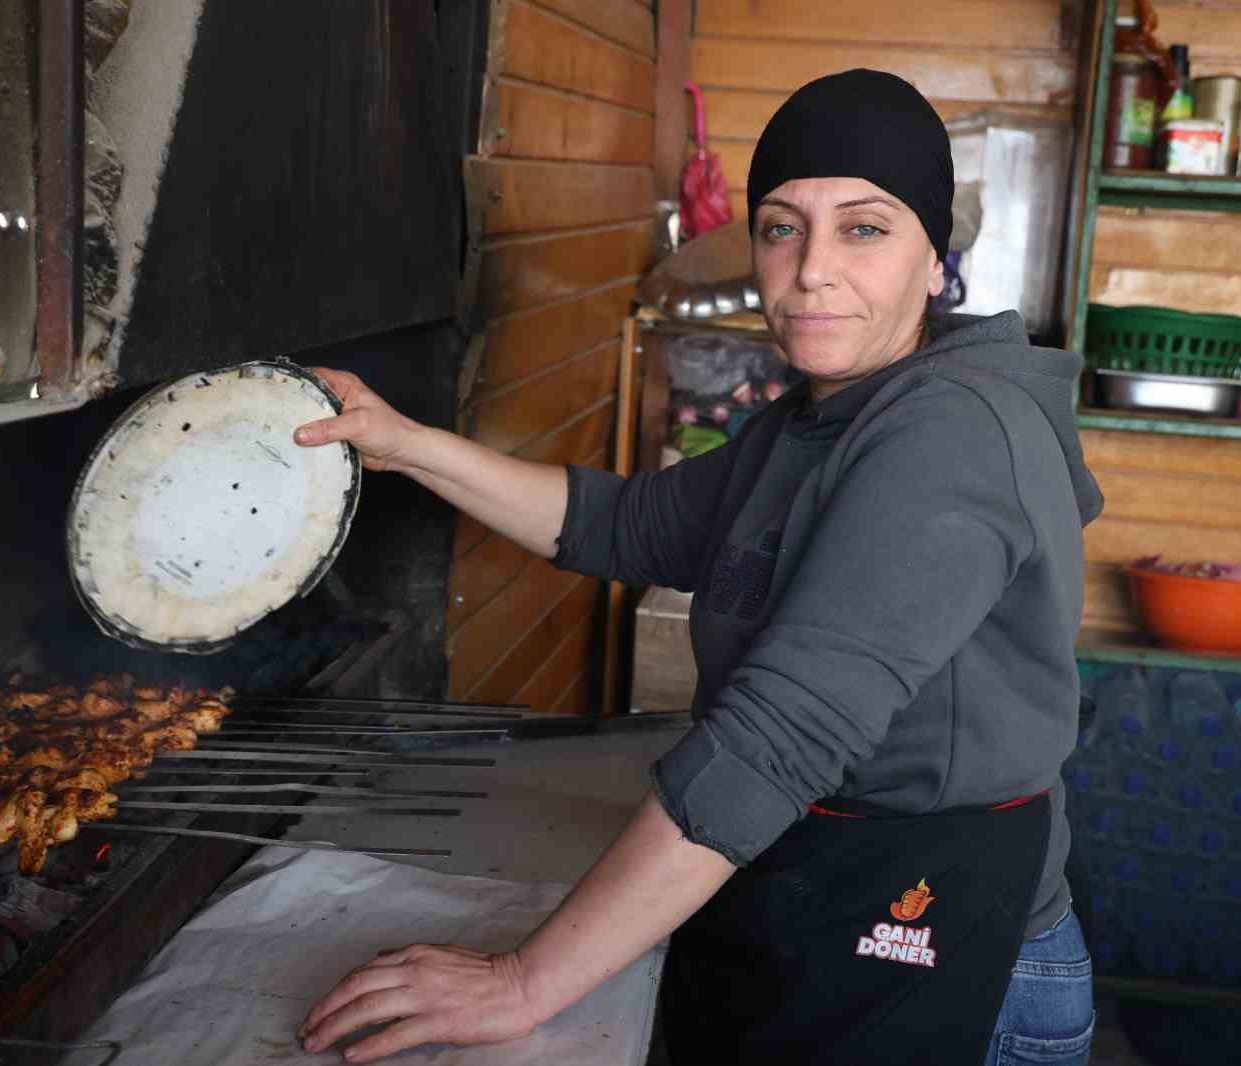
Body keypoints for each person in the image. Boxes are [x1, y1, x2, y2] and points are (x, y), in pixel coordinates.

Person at [294, 69, 1102, 1066]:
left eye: (863, 228)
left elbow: (780, 738)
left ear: (934, 261)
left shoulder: (953, 431)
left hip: (955, 953)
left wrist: (523, 982)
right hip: (820, 892)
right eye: (780, 226)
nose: (809, 270)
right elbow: (617, 525)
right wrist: (409, 443)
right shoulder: (812, 419)